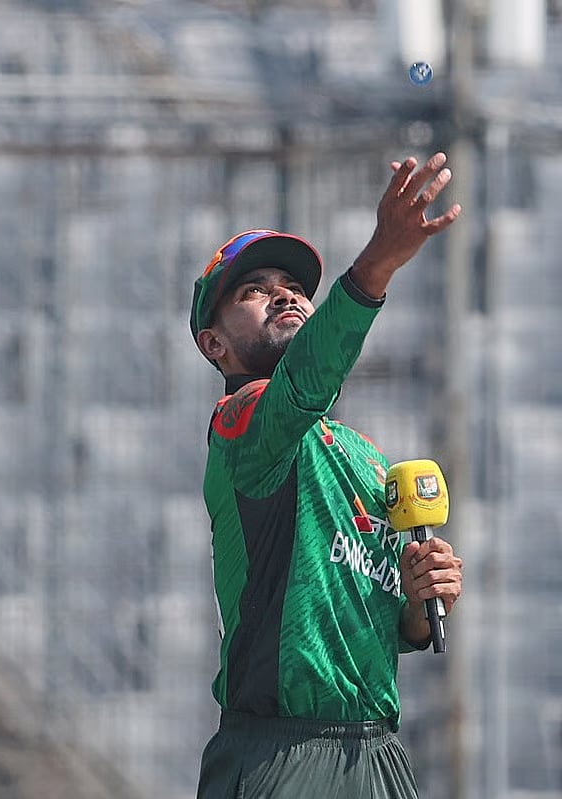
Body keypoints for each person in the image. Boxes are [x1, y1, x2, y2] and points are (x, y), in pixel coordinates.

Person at [190, 152, 466, 798]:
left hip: (377, 753)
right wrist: (378, 263)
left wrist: (425, 600)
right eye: (253, 289)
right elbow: (302, 386)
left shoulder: (367, 458)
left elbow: (389, 620)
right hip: (280, 751)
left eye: (293, 286)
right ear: (215, 345)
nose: (284, 293)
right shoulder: (240, 424)